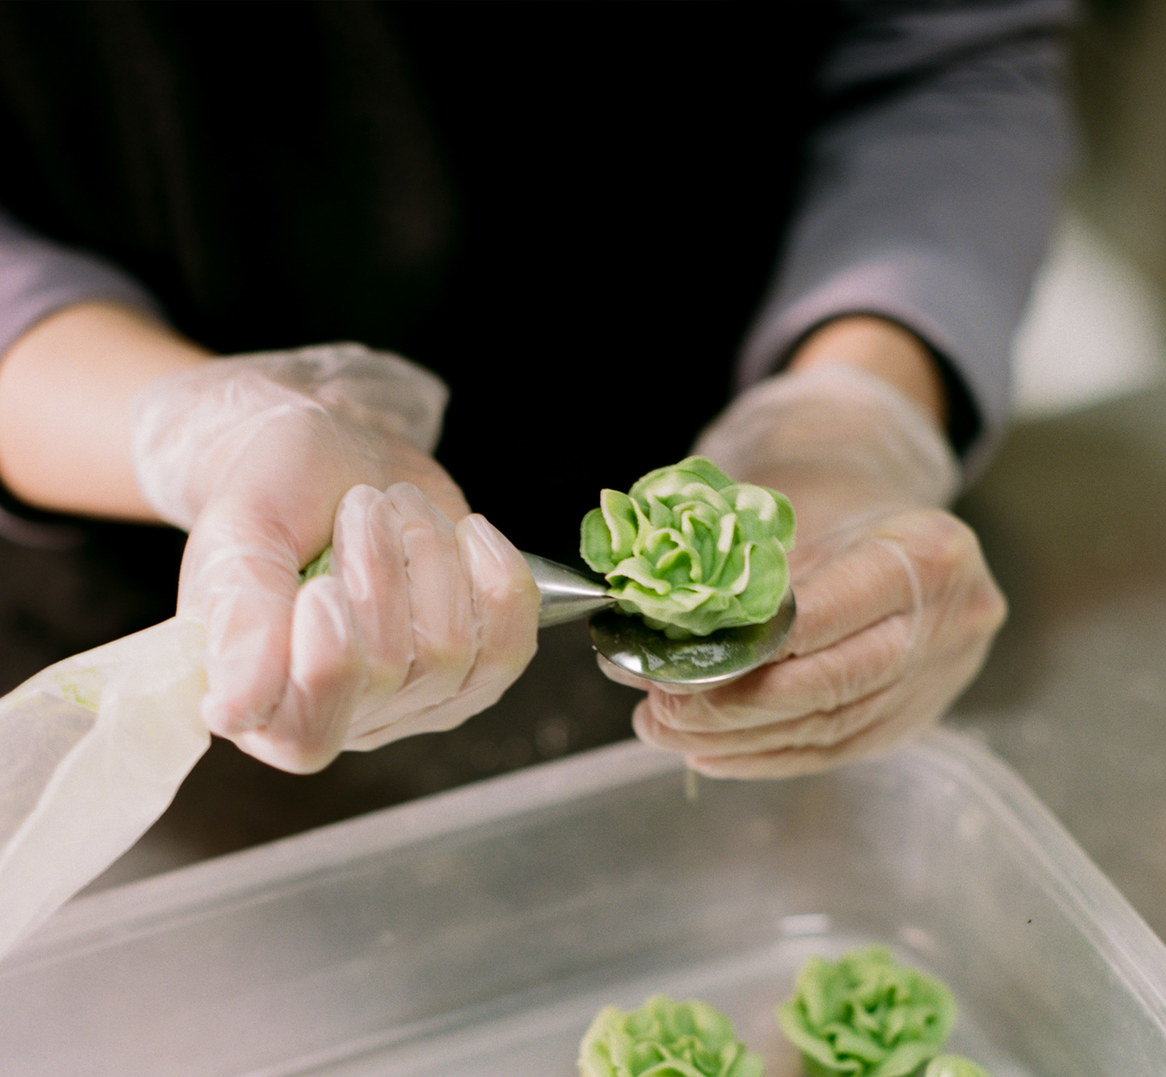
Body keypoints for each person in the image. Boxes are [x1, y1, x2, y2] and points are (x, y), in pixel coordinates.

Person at [0, 1, 1069, 779]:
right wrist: (195, 430)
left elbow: (950, 54)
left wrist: (857, 406)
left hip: (730, 401)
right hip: (127, 556)